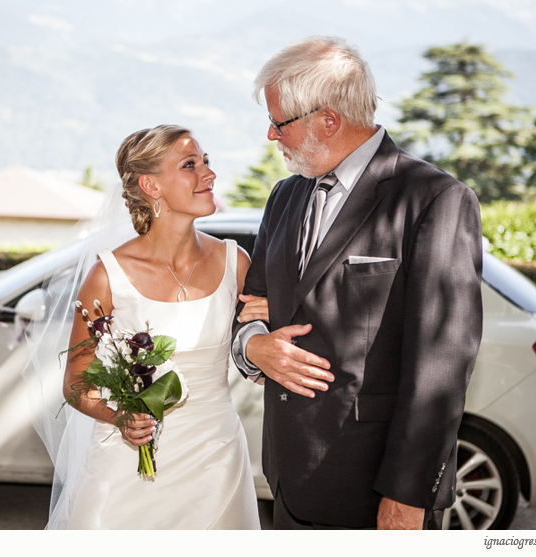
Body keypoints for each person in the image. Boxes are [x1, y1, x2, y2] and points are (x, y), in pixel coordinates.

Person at [232, 36, 483, 530]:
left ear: (327, 119)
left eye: (279, 122)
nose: (270, 135)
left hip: (375, 492)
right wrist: (252, 348)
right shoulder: (283, 197)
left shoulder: (435, 199)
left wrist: (407, 496)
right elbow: (250, 311)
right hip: (287, 480)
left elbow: (441, 367)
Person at [44, 125, 262, 529]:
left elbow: (259, 356)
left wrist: (266, 328)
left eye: (207, 162)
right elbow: (75, 383)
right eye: (190, 165)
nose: (209, 174)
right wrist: (120, 417)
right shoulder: (107, 276)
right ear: (151, 185)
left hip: (215, 459)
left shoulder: (237, 262)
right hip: (127, 466)